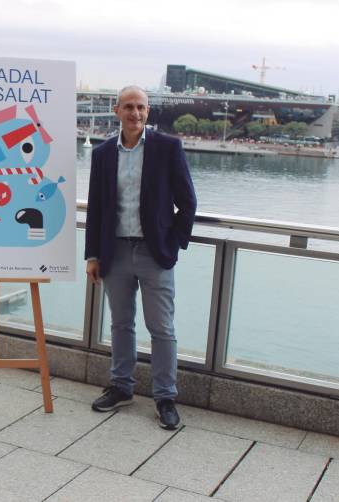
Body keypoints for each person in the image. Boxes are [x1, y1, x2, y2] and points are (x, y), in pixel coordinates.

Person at [84, 85, 197, 429]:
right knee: (120, 323)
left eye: (142, 108)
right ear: (116, 110)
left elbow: (188, 202)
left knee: (161, 328)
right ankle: (121, 386)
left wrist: (172, 242)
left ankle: (165, 396)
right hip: (114, 250)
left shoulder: (167, 148)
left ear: (148, 112)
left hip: (154, 251)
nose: (136, 113)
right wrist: (92, 255)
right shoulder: (103, 153)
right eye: (129, 107)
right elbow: (97, 209)